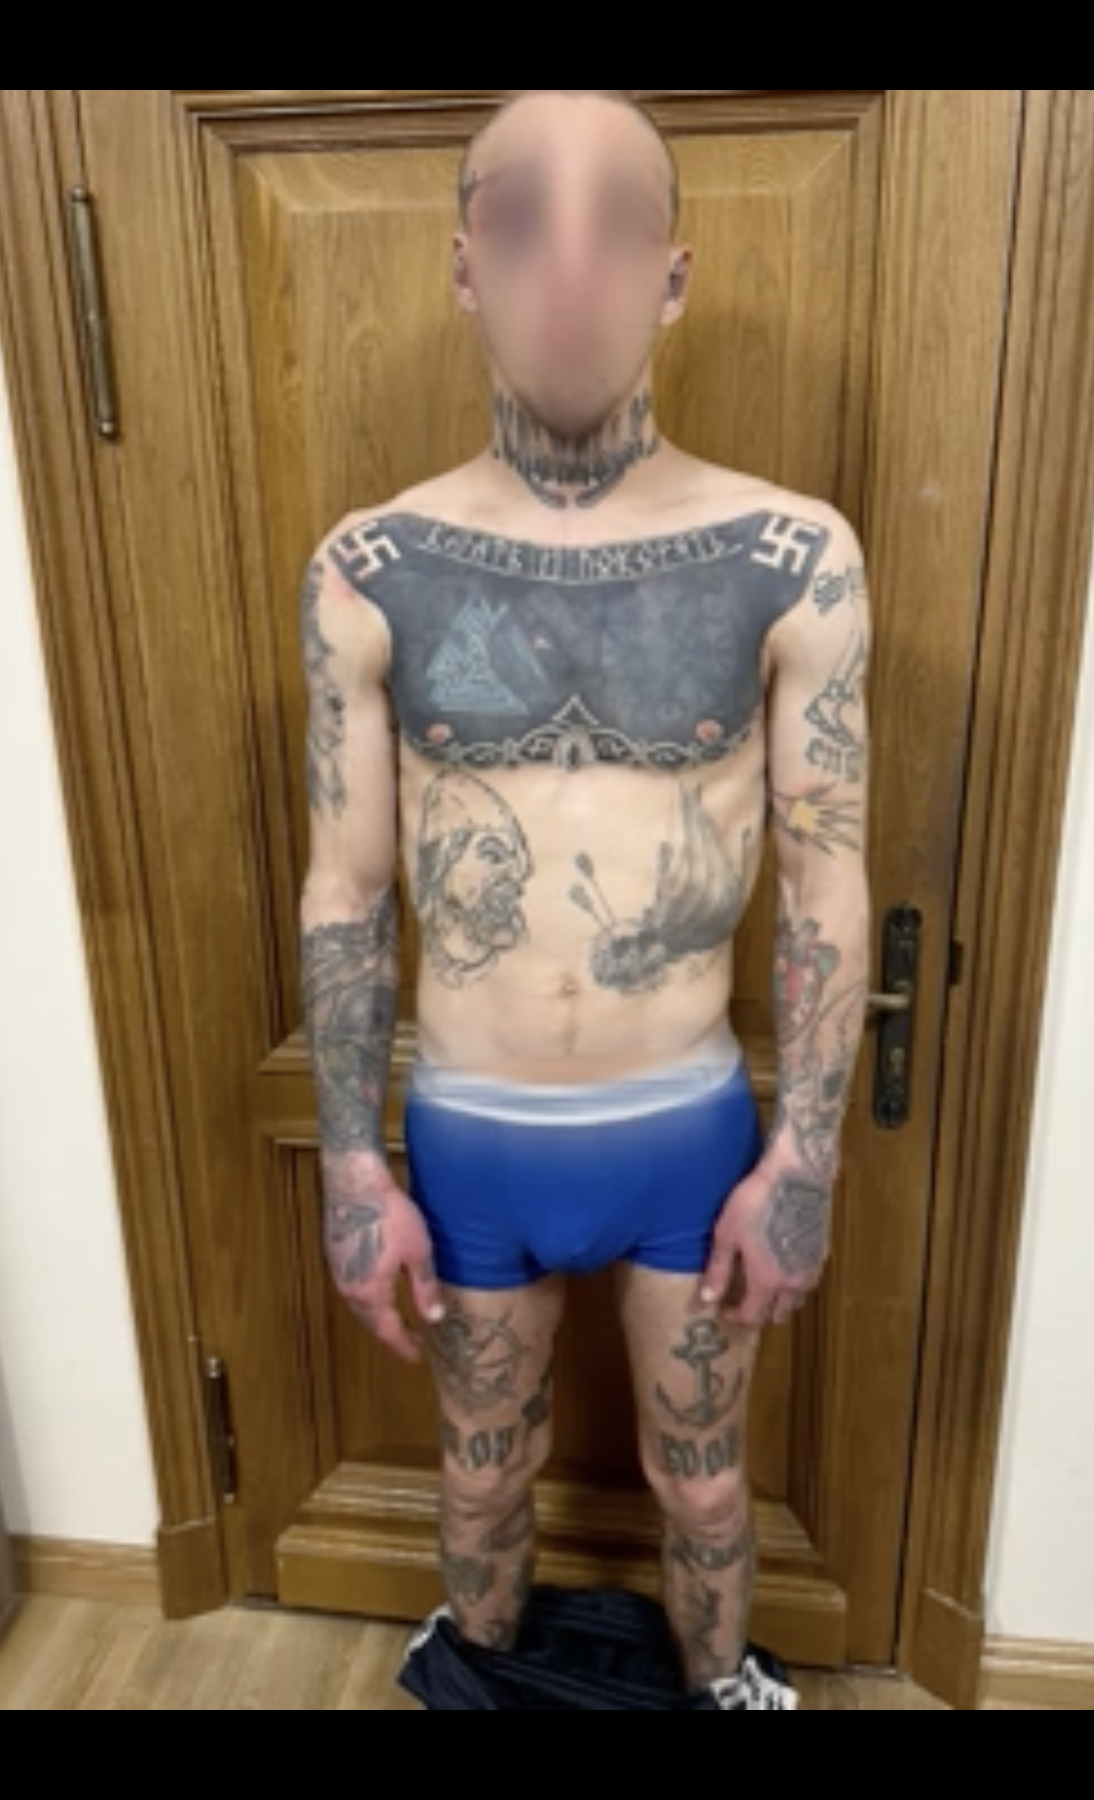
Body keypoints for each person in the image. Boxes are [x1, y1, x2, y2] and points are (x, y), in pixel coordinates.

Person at [294, 89, 873, 1712]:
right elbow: (344, 886)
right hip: (472, 1132)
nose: (568, 269)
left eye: (616, 226)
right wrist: (352, 1167)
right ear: (462, 267)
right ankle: (479, 1681)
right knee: (478, 1479)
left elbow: (828, 875)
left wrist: (806, 1160)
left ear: (673, 279)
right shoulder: (369, 567)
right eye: (519, 223)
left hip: (681, 1131)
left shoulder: (792, 556)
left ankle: (724, 1691)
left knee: (704, 1484)